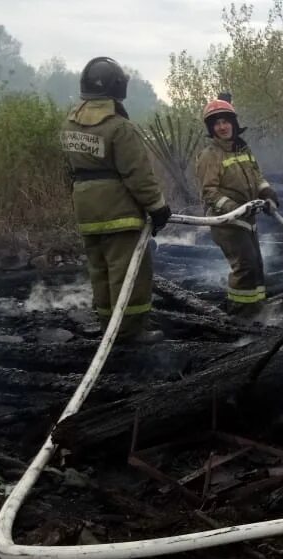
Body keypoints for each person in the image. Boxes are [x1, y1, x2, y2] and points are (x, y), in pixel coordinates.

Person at [61, 56, 171, 344]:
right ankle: (130, 332)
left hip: (86, 211)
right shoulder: (119, 128)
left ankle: (108, 326)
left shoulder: (70, 124)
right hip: (119, 212)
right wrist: (158, 207)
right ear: (117, 87)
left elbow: (68, 170)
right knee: (129, 274)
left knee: (99, 271)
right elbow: (138, 175)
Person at [195, 98, 279, 319]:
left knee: (256, 266)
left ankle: (258, 309)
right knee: (245, 267)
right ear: (211, 128)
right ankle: (241, 315)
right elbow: (209, 192)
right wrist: (235, 208)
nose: (222, 127)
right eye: (216, 123)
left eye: (225, 121)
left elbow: (257, 177)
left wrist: (267, 192)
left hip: (246, 220)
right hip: (227, 222)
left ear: (233, 122)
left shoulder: (243, 149)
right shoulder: (210, 155)